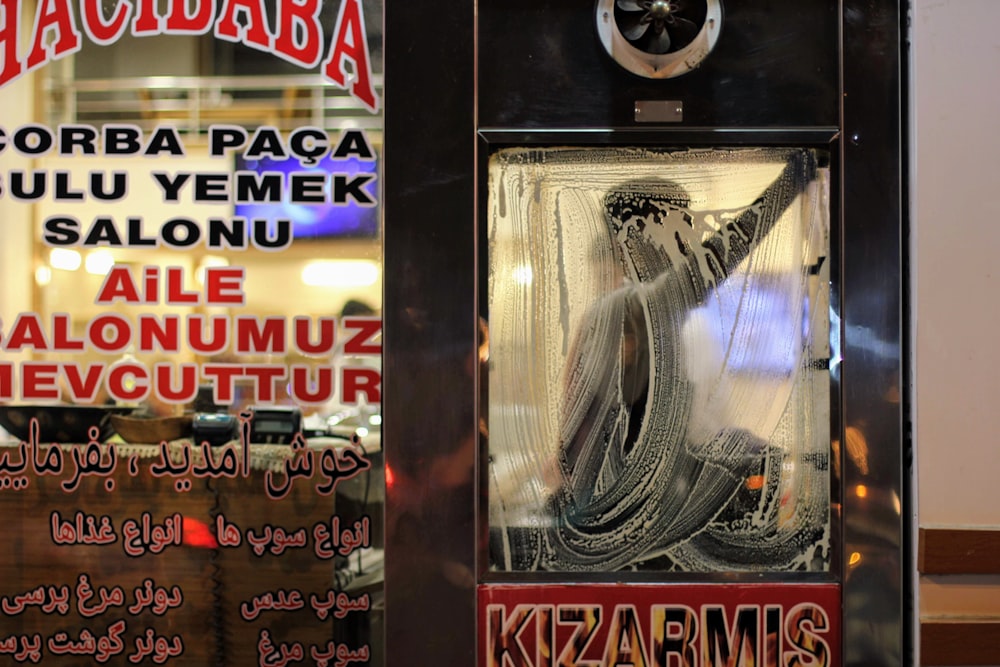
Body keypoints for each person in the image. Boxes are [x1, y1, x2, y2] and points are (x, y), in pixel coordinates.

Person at [492, 148, 822, 572]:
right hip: (623, 535)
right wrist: (792, 181)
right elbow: (727, 250)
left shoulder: (615, 316)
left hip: (610, 527)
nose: (689, 244)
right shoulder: (639, 306)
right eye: (679, 229)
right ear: (642, 235)